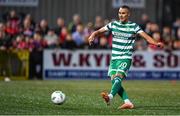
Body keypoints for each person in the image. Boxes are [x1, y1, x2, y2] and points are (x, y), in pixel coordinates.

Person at [88, 5, 164, 109]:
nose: (121, 15)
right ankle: (127, 102)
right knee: (115, 81)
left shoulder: (133, 26)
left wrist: (156, 43)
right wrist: (92, 35)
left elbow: (146, 37)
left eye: (123, 13)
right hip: (114, 58)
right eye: (119, 13)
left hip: (125, 57)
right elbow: (99, 31)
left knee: (118, 77)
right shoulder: (113, 24)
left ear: (128, 14)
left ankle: (110, 97)